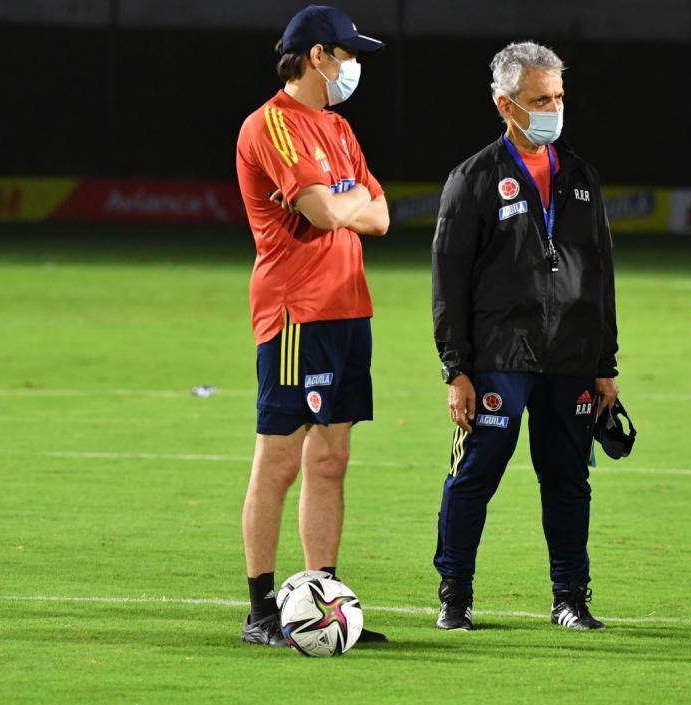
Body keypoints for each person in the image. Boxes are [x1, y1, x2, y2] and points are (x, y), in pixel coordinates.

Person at [430, 41, 619, 632]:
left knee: (568, 479)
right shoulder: (474, 179)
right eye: (541, 99)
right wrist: (455, 368)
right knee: (476, 474)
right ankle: (455, 595)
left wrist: (605, 363)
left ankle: (570, 597)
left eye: (559, 97)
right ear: (505, 105)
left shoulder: (581, 177)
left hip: (570, 359)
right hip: (496, 360)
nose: (553, 109)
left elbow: (601, 276)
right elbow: (448, 281)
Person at [233, 4, 390, 646]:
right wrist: (348, 202)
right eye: (349, 53)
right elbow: (329, 212)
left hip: (350, 307)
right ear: (318, 55)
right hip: (297, 313)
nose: (355, 64)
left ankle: (323, 603)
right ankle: (262, 609)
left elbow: (379, 217)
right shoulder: (271, 125)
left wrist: (345, 203)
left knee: (332, 460)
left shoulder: (339, 128)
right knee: (280, 462)